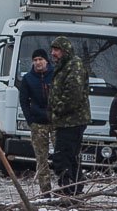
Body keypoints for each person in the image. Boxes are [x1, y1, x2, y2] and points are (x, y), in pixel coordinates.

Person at [48, 36, 91, 196]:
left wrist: (57, 109)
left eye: (57, 50)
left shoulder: (74, 65)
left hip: (72, 121)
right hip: (66, 121)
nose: (53, 53)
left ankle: (67, 189)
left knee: (62, 157)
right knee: (70, 156)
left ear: (65, 51)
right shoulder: (64, 66)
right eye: (52, 50)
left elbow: (73, 94)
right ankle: (75, 188)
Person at [18, 48, 54, 193]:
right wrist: (30, 120)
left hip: (56, 121)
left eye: (40, 59)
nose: (38, 63)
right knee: (41, 158)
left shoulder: (55, 75)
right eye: (35, 60)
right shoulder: (28, 78)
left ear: (46, 61)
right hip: (38, 123)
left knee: (61, 156)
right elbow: (24, 101)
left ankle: (65, 187)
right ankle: (45, 190)